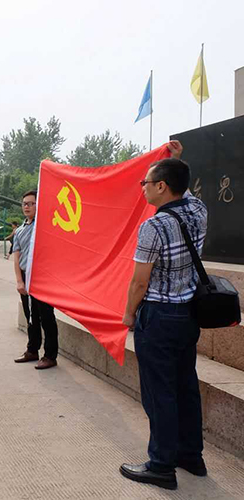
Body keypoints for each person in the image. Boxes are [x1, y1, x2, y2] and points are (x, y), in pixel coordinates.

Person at [120, 141, 208, 491]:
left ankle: (160, 465)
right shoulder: (199, 211)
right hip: (188, 316)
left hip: (157, 317)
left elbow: (140, 281)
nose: (142, 187)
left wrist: (129, 314)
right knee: (186, 387)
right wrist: (176, 161)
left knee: (160, 393)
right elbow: (187, 191)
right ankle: (191, 456)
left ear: (161, 186)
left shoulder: (153, 226)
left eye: (146, 182)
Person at [12, 190, 59, 370]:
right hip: (26, 277)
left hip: (43, 277)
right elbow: (17, 257)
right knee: (31, 316)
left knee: (46, 317)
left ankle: (50, 355)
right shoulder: (19, 231)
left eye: (31, 203)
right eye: (24, 203)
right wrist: (19, 281)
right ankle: (32, 350)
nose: (27, 207)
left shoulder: (45, 227)